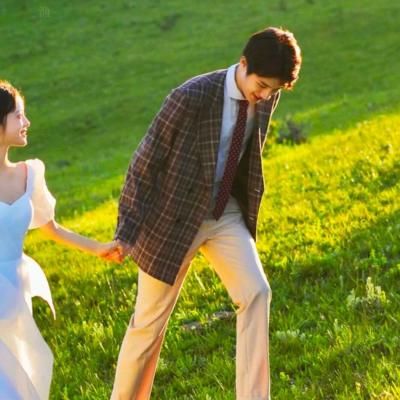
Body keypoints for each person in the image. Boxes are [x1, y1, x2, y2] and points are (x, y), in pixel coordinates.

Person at [111, 27, 302, 400]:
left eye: (274, 89)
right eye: (262, 85)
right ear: (243, 64)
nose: (265, 95)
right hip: (173, 217)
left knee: (256, 292)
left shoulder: (266, 95)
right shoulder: (191, 96)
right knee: (148, 325)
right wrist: (126, 232)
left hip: (224, 211)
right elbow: (144, 163)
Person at [0, 80, 122, 400]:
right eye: (18, 115)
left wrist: (99, 248)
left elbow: (52, 227)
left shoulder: (30, 174)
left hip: (17, 292)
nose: (27, 122)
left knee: (21, 380)